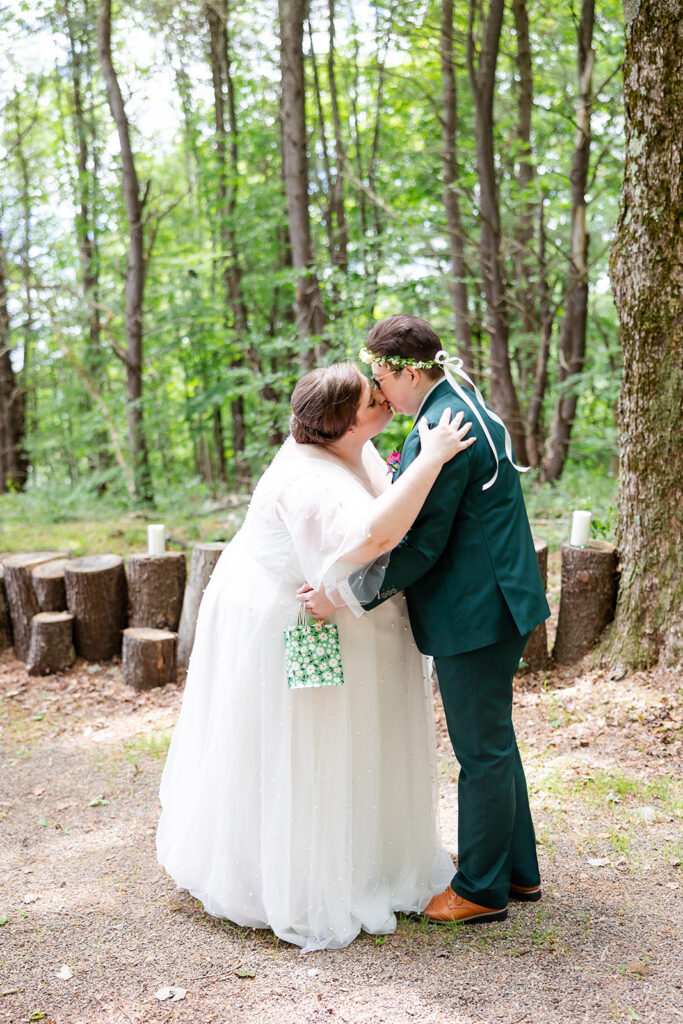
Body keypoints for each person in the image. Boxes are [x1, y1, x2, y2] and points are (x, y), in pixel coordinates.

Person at [156, 362, 474, 952]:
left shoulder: (344, 442)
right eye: (372, 400)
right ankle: (306, 877)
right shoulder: (309, 482)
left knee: (356, 739)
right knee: (312, 741)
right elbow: (376, 537)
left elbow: (383, 494)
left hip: (342, 610)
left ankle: (373, 854)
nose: (383, 398)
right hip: (295, 618)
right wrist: (431, 458)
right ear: (347, 426)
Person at [301, 316, 550, 925]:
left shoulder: (441, 427)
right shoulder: (456, 404)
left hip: (478, 611)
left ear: (410, 373)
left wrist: (346, 594)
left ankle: (481, 890)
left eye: (382, 378)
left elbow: (418, 546)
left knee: (481, 751)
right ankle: (517, 871)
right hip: (499, 597)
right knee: (494, 741)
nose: (379, 393)